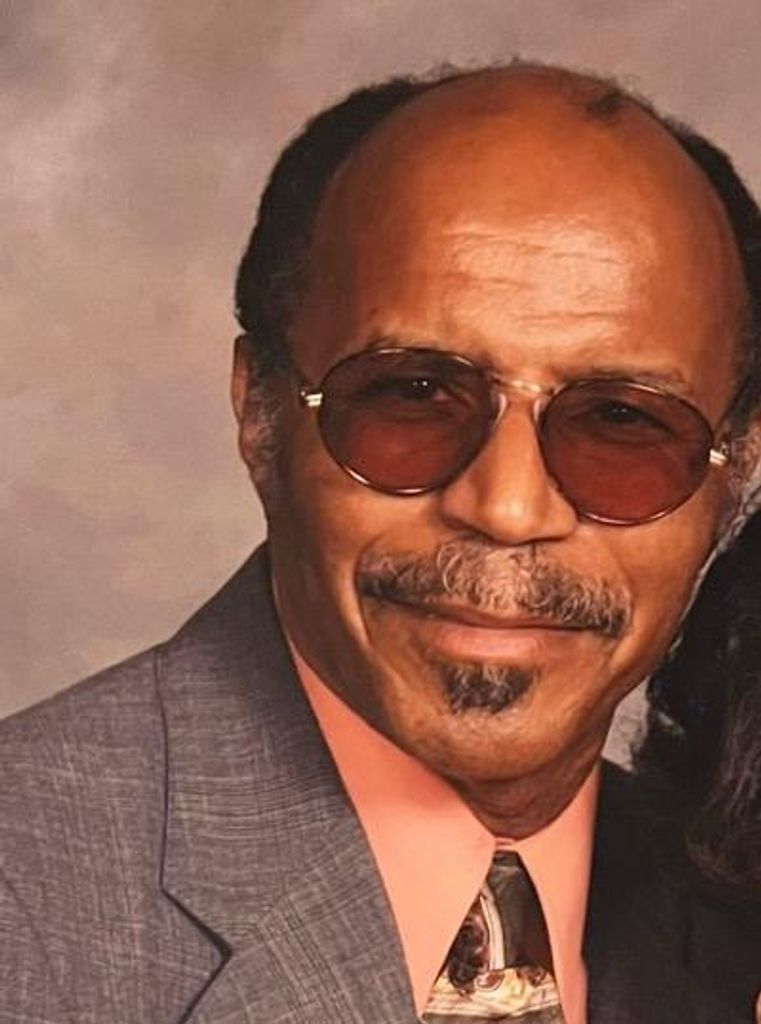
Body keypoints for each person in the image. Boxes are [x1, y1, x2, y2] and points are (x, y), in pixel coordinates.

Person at [2, 61, 760, 1023]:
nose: (508, 507)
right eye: (413, 394)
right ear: (261, 413)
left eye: (620, 421)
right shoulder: (25, 902)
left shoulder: (728, 916)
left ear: (738, 468)